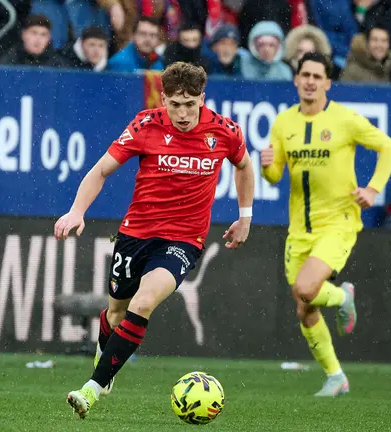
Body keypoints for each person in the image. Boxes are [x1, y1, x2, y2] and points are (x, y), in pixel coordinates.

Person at [54, 61, 256, 419]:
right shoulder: (146, 125)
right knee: (116, 312)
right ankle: (108, 362)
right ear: (163, 99)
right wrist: (76, 211)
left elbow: (243, 165)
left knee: (144, 302)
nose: (181, 113)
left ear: (202, 99)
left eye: (190, 104)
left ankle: (93, 388)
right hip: (135, 235)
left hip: (184, 240)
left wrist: (245, 216)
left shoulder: (224, 132)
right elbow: (101, 169)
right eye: (174, 104)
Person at [260, 52, 391, 397]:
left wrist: (373, 188)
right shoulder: (283, 123)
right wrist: (266, 165)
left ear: (327, 83)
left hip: (338, 222)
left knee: (307, 289)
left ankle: (341, 295)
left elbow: (389, 147)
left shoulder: (344, 119)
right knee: (304, 307)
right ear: (296, 80)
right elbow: (276, 175)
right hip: (299, 229)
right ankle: (336, 376)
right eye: (304, 74)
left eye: (316, 76)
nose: (309, 81)